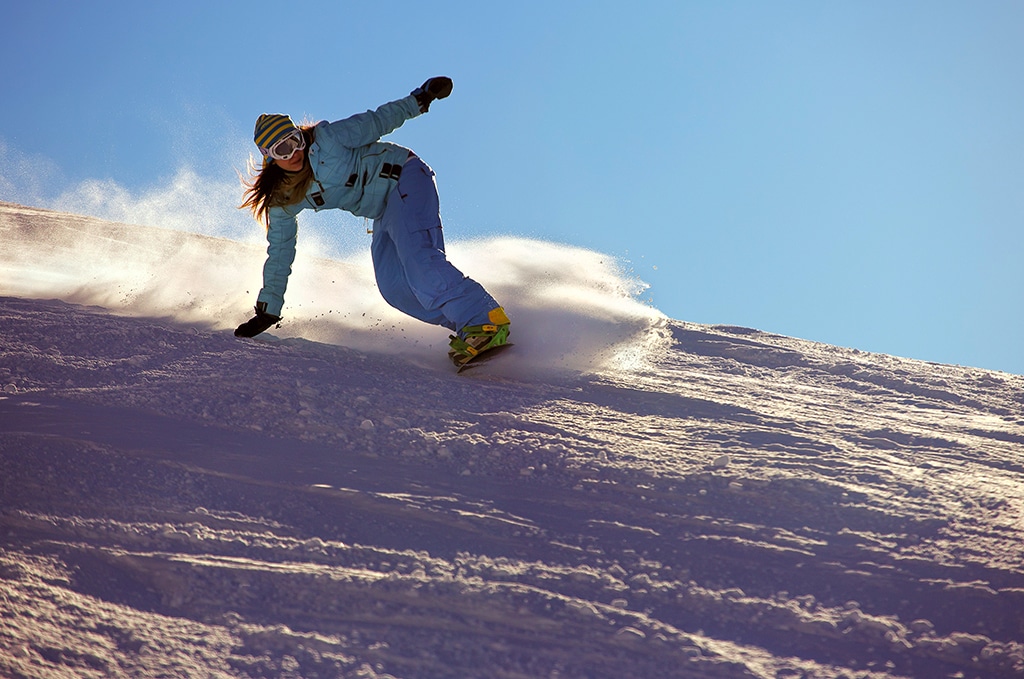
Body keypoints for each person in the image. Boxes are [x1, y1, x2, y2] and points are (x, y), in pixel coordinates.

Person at [235, 77, 509, 367]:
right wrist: (269, 309)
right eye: (282, 150)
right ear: (269, 158)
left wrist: (421, 99)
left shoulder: (328, 139)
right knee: (394, 289)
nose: (294, 153)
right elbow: (280, 250)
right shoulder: (282, 198)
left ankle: (484, 318)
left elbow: (378, 121)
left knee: (420, 262)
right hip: (384, 210)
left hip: (404, 176)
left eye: (294, 141)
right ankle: (471, 329)